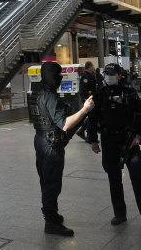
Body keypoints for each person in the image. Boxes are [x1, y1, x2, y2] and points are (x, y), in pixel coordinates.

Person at [87, 63, 141, 231]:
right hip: (108, 140)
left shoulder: (130, 93)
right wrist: (93, 140)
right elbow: (92, 119)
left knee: (138, 176)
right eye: (106, 73)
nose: (108, 76)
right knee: (114, 178)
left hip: (128, 140)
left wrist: (138, 136)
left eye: (111, 73)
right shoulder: (100, 95)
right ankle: (120, 214)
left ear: (119, 75)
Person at [33, 62, 94, 236]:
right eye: (58, 75)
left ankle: (51, 213)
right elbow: (65, 124)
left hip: (41, 140)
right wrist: (84, 110)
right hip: (51, 145)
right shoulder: (50, 97)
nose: (61, 78)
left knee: (46, 181)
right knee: (52, 184)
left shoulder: (40, 92)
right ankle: (51, 223)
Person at [76, 61, 96, 141]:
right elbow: (84, 90)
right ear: (90, 67)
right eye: (93, 66)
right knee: (91, 117)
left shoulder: (91, 76)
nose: (94, 68)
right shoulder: (86, 77)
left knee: (91, 117)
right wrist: (86, 100)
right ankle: (87, 135)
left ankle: (84, 133)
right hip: (88, 101)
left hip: (91, 100)